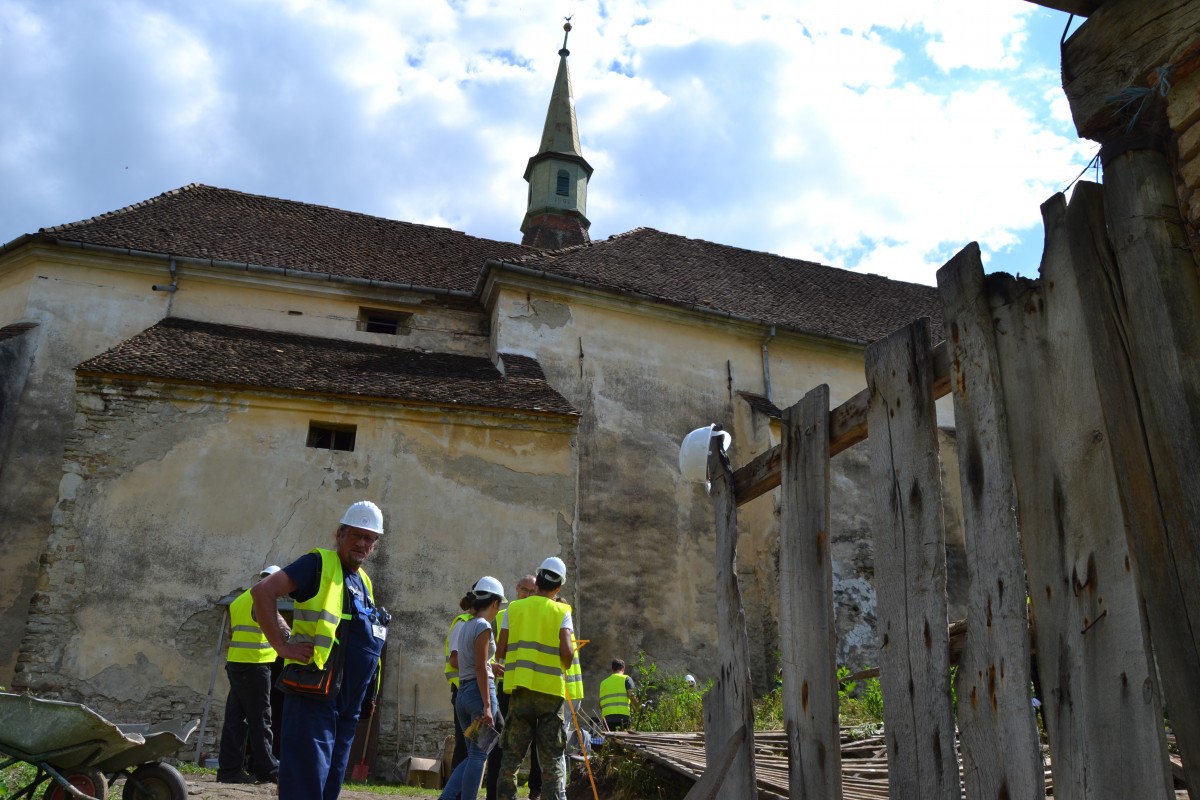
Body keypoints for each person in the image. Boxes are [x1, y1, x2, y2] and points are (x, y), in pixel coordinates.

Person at [252, 500, 389, 800]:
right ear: (339, 534)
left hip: (348, 704)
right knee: (306, 780)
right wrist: (281, 646)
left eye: (369, 538)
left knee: (330, 783)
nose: (362, 543)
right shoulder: (317, 564)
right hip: (314, 693)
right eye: (356, 535)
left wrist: (369, 694)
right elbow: (263, 592)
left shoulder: (364, 582)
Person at [496, 557, 573, 800]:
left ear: (537, 580)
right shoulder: (562, 611)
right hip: (551, 695)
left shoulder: (514, 609)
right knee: (552, 760)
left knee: (511, 758)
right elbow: (567, 653)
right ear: (558, 587)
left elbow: (500, 651)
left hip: (520, 692)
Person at [216, 565, 287, 784]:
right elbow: (280, 629)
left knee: (235, 720)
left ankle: (229, 771)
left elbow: (233, 633)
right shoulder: (263, 598)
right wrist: (291, 638)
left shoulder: (240, 600)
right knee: (261, 718)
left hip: (237, 664)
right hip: (254, 666)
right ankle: (269, 769)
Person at [440, 577, 506, 800]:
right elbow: (480, 667)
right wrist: (487, 706)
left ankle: (446, 797)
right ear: (495, 603)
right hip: (479, 694)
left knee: (471, 755)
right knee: (479, 756)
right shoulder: (483, 626)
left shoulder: (466, 624)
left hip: (463, 694)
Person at [485, 575, 538, 800]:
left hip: (531, 685)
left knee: (536, 742)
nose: (528, 595)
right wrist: (492, 665)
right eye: (525, 590)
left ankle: (535, 790)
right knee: (500, 741)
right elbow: (492, 648)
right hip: (507, 685)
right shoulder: (503, 615)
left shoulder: (537, 614)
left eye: (532, 591)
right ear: (517, 589)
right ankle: (494, 792)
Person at [446, 593, 474, 770]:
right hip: (462, 689)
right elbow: (454, 661)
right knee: (464, 745)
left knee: (470, 745)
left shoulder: (475, 624)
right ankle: (455, 786)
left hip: (472, 689)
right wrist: (485, 667)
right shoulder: (462, 624)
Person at [598, 659, 634, 732]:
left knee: (611, 738)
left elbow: (600, 703)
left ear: (612, 669)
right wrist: (638, 708)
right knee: (624, 738)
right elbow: (631, 695)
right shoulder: (626, 679)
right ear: (623, 668)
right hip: (623, 717)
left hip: (607, 718)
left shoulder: (603, 683)